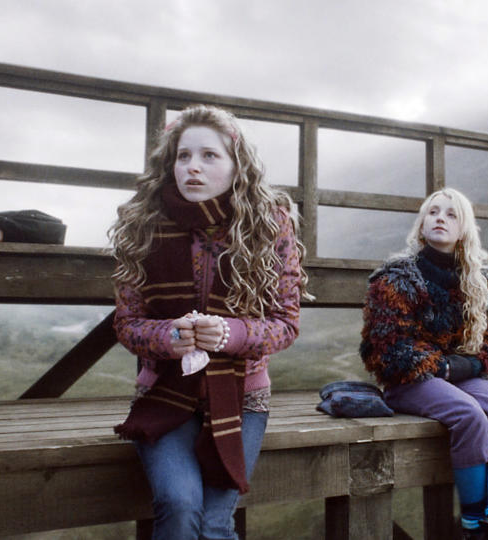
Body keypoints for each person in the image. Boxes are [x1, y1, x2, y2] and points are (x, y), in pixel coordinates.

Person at [108, 105, 308, 540]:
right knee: (180, 507)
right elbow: (127, 324)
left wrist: (230, 334)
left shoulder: (269, 225)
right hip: (165, 391)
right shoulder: (142, 224)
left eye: (209, 156)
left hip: (241, 394)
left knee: (216, 525)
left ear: (238, 166)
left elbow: (286, 323)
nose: (192, 167)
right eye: (183, 156)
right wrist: (167, 336)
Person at [360, 188, 488, 540]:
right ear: (422, 225)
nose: (440, 218)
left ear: (465, 229)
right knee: (469, 416)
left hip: (458, 375)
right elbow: (387, 351)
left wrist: (461, 369)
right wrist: (450, 367)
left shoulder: (480, 281)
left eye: (451, 214)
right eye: (433, 212)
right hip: (409, 380)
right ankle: (473, 529)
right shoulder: (395, 278)